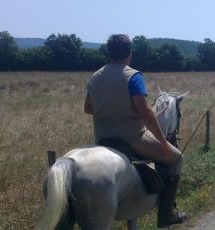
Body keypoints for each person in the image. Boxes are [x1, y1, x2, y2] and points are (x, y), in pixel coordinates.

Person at [84, 34, 186, 228]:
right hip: (133, 137)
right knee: (177, 159)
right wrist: (164, 143)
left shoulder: (95, 76)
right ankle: (168, 213)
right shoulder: (133, 75)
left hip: (102, 138)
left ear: (109, 52)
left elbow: (88, 108)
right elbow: (145, 112)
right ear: (129, 53)